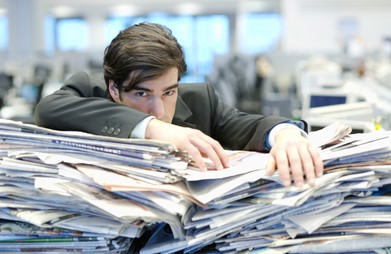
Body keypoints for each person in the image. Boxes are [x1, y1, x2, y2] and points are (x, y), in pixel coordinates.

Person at [34, 23, 323, 187]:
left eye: (169, 92)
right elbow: (48, 109)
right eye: (142, 94)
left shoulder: (201, 101)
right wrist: (152, 129)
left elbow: (248, 125)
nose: (159, 110)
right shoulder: (90, 89)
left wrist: (286, 135)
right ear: (114, 89)